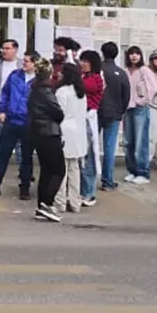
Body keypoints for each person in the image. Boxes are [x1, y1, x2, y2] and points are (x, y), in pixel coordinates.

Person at [0, 53, 39, 200]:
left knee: (26, 157)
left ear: (35, 64)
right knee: (2, 155)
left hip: (28, 123)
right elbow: (5, 93)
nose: (24, 63)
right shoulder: (15, 75)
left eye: (27, 61)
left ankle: (24, 188)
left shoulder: (39, 81)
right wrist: (2, 110)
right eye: (23, 61)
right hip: (11, 121)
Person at [29, 60, 67, 223]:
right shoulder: (46, 91)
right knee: (59, 170)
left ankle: (41, 206)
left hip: (38, 132)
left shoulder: (35, 90)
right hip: (49, 133)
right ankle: (47, 203)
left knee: (46, 170)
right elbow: (58, 113)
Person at [53, 60, 87, 213]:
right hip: (79, 132)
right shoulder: (81, 92)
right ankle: (75, 201)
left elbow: (59, 113)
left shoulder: (62, 92)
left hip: (65, 131)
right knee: (74, 169)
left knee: (61, 170)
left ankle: (59, 201)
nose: (59, 74)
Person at [96, 42, 129, 190]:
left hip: (95, 111)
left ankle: (86, 178)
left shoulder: (97, 70)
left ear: (102, 52)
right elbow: (126, 95)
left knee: (91, 146)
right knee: (110, 148)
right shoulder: (121, 73)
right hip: (114, 113)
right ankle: (107, 180)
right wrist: (120, 111)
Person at [122, 45, 157, 184]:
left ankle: (143, 172)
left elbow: (153, 87)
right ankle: (132, 170)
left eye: (137, 53)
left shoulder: (144, 70)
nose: (134, 56)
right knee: (128, 141)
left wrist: (142, 101)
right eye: (131, 54)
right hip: (127, 109)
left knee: (140, 141)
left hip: (140, 109)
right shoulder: (125, 71)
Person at [78, 50, 105, 206]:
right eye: (81, 61)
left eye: (85, 61)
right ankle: (81, 190)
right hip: (78, 119)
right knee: (79, 157)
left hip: (88, 119)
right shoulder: (83, 77)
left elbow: (84, 87)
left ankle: (89, 192)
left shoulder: (96, 78)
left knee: (88, 157)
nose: (82, 64)